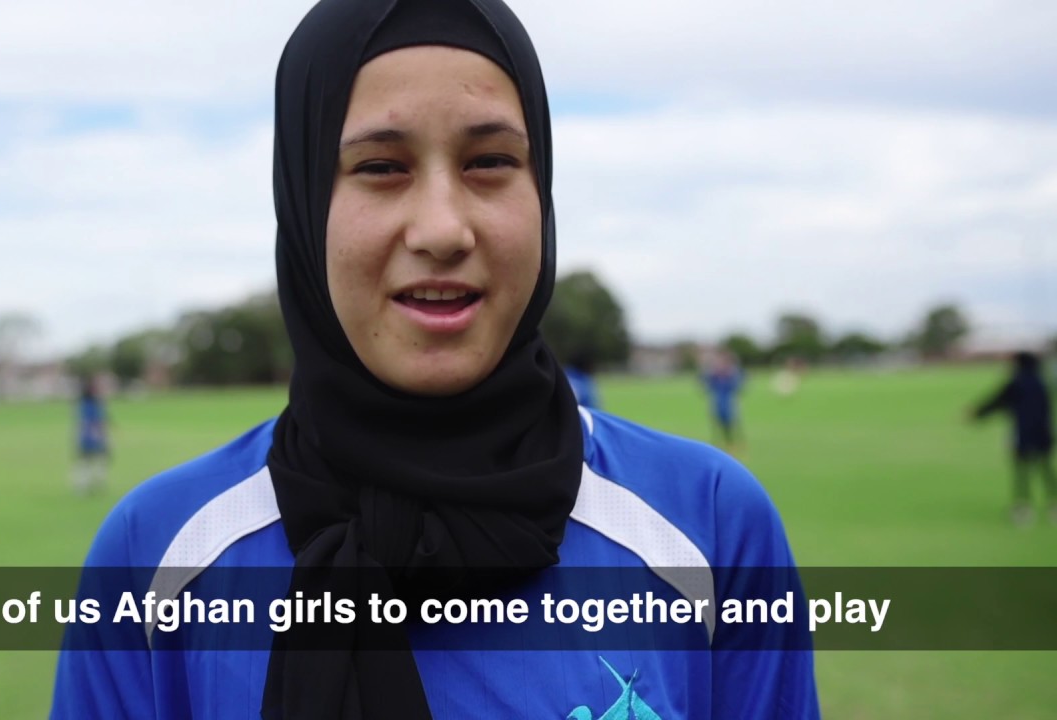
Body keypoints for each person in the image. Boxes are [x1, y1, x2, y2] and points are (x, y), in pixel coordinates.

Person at [51, 1, 819, 717]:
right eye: (381, 167)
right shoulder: (157, 556)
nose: (443, 229)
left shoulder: (711, 524)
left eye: (489, 161)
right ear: (303, 201)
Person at [969, 351, 1055, 526]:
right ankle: (1053, 505)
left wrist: (977, 414)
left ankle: (1023, 509)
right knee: (1045, 469)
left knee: (1021, 471)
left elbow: (998, 401)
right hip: (1043, 432)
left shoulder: (1016, 383)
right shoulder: (1042, 382)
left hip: (1022, 433)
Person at [700, 350, 744, 454]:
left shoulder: (732, 373)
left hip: (729, 402)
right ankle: (717, 444)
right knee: (717, 424)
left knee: (731, 424)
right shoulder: (713, 374)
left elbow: (738, 386)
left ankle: (733, 443)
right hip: (716, 402)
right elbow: (705, 386)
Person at [72, 376, 109, 495]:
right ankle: (85, 483)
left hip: (87, 436)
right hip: (92, 437)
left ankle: (90, 482)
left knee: (91, 461)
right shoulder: (90, 404)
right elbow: (94, 421)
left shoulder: (87, 404)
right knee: (89, 461)